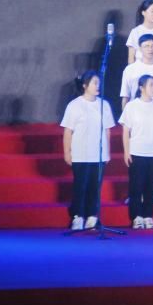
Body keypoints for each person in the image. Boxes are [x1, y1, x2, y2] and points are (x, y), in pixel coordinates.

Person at [61, 71, 116, 231]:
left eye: (99, 83)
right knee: (80, 186)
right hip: (80, 154)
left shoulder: (104, 105)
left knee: (95, 186)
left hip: (98, 155)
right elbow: (68, 131)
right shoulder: (74, 105)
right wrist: (67, 152)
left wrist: (107, 151)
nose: (98, 86)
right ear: (85, 85)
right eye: (94, 83)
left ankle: (92, 216)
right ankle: (78, 216)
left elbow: (107, 130)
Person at [120, 75, 153, 229]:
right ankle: (136, 216)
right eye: (151, 85)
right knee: (136, 186)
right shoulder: (131, 106)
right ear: (141, 88)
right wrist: (127, 152)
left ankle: (148, 216)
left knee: (151, 186)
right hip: (137, 151)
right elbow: (126, 131)